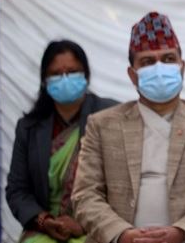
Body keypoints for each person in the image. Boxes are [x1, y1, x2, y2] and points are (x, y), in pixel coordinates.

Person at [72, 12, 185, 243]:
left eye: (169, 59)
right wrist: (123, 235)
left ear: (182, 67)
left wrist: (181, 232)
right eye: (148, 62)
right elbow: (85, 195)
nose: (160, 68)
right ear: (133, 75)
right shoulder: (101, 125)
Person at [6, 39, 118, 243]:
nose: (64, 78)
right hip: (48, 228)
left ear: (86, 75)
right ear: (44, 80)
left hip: (99, 225)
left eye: (72, 71)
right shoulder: (29, 128)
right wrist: (44, 221)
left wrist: (85, 223)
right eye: (56, 74)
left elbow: (124, 185)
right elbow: (17, 190)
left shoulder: (110, 115)